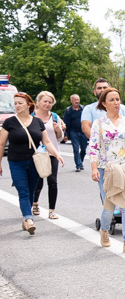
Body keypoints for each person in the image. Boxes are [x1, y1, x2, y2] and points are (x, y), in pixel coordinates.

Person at [0, 92, 65, 235]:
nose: (17, 105)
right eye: (15, 103)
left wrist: (57, 155)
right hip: (16, 162)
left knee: (30, 191)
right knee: (22, 191)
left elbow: (46, 141)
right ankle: (29, 219)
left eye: (20, 103)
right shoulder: (9, 122)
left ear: (29, 105)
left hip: (35, 162)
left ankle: (25, 217)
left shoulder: (37, 122)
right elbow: (1, 143)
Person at [88, 88, 125, 255]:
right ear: (104, 103)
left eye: (118, 99)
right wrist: (94, 168)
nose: (116, 103)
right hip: (107, 169)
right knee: (108, 207)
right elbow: (94, 148)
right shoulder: (99, 124)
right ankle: (104, 230)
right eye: (112, 100)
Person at [32, 91, 65, 220]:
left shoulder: (55, 117)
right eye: (45, 101)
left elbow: (60, 138)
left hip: (52, 154)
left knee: (52, 182)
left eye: (50, 102)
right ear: (38, 102)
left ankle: (52, 210)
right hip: (35, 154)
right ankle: (35, 203)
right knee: (38, 182)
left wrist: (58, 130)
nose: (47, 104)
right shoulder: (31, 117)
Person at [65, 94, 87, 172]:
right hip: (73, 132)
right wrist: (65, 134)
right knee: (76, 149)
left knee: (84, 149)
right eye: (75, 100)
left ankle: (80, 162)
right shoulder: (68, 110)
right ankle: (78, 165)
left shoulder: (84, 109)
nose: (77, 101)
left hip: (83, 132)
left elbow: (88, 121)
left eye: (78, 99)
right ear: (71, 101)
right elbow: (66, 123)